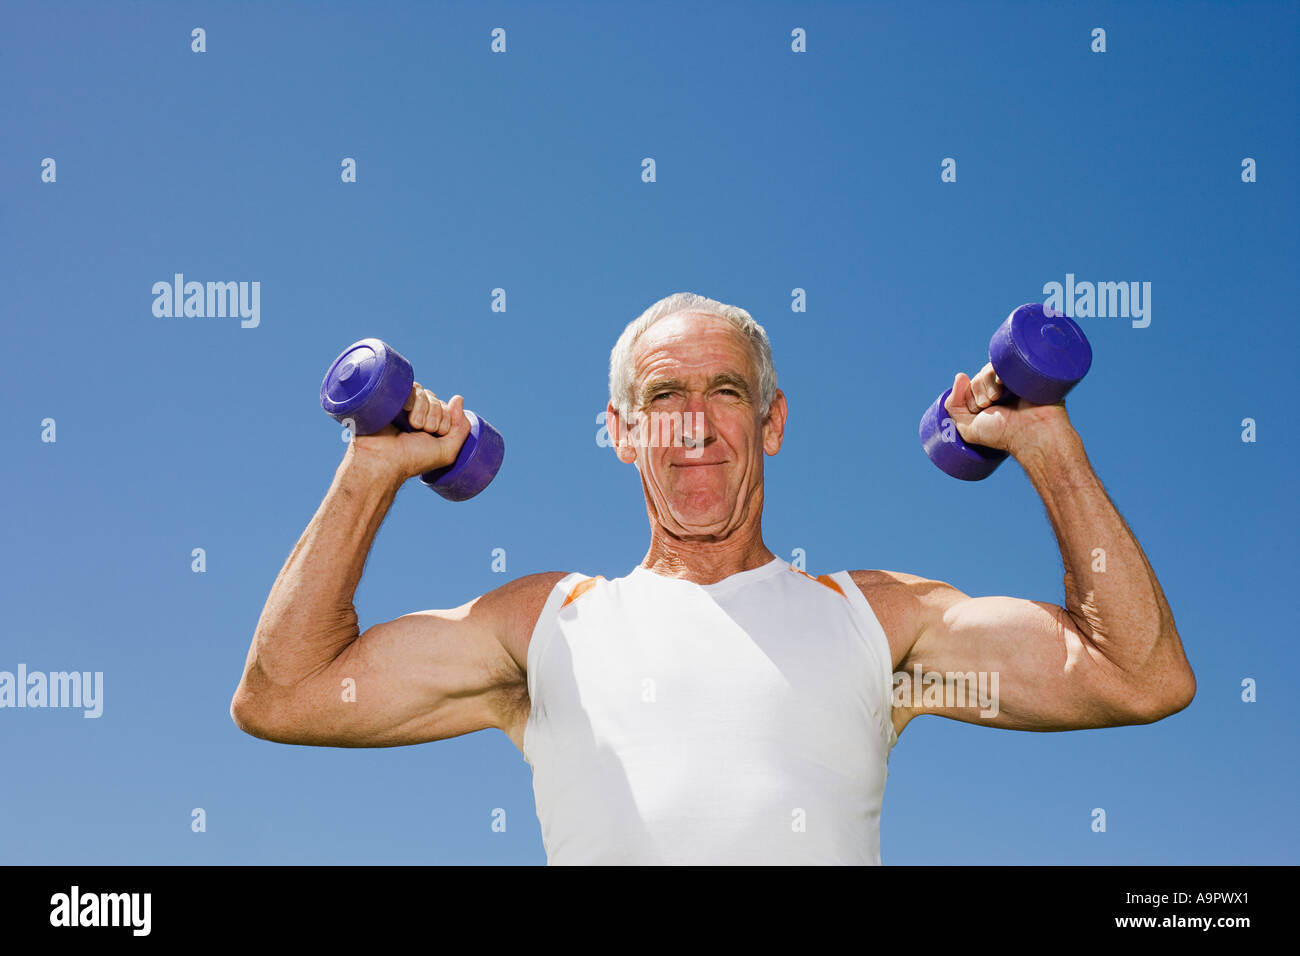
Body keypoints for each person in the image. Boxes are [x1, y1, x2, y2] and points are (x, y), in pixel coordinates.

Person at [230, 291, 1195, 864]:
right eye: (662, 397)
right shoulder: (547, 627)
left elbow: (1137, 675)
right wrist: (370, 469)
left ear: (770, 424)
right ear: (620, 435)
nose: (693, 421)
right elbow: (286, 694)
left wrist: (1044, 443)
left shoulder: (877, 621)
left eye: (724, 391)